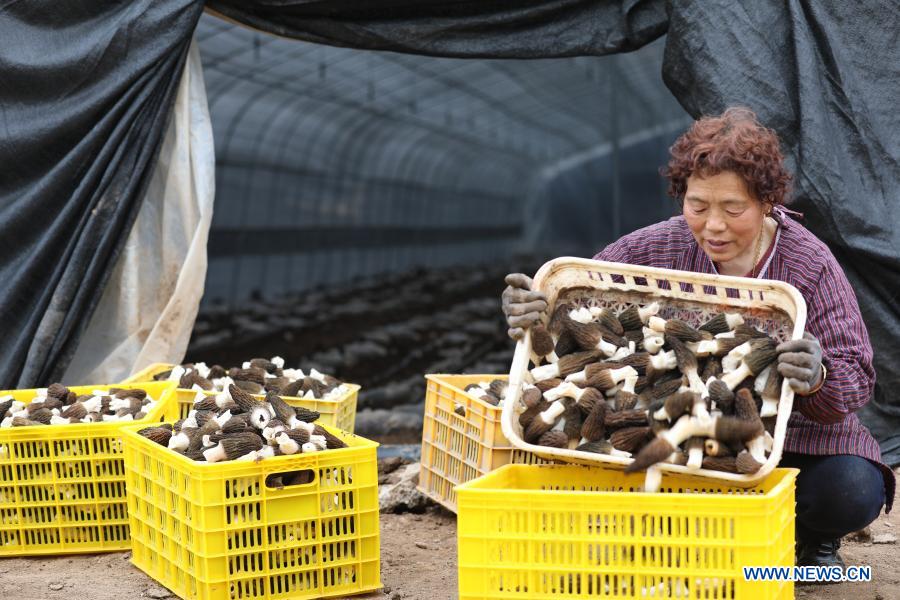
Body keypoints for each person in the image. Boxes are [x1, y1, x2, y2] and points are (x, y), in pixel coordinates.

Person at [502, 107, 893, 569]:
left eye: (733, 208)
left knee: (848, 490)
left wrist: (818, 375)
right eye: (697, 205)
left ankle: (806, 537)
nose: (713, 225)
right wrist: (538, 312)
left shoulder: (809, 264)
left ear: (767, 202)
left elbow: (856, 376)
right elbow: (579, 310)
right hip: (671, 424)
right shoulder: (654, 249)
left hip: (787, 437)